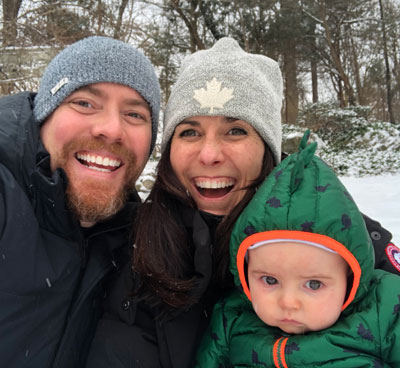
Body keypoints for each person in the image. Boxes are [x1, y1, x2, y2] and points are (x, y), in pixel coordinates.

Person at [86, 37, 400, 368]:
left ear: (269, 150)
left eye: (235, 131)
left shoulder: (349, 246)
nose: (209, 154)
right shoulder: (135, 251)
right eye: (189, 132)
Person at [0, 36, 160, 368]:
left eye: (134, 114)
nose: (112, 129)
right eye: (85, 103)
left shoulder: (133, 244)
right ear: (44, 115)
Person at [194, 132, 400, 367]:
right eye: (270, 280)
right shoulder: (232, 318)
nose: (288, 302)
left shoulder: (384, 310)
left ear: (351, 278)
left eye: (314, 284)